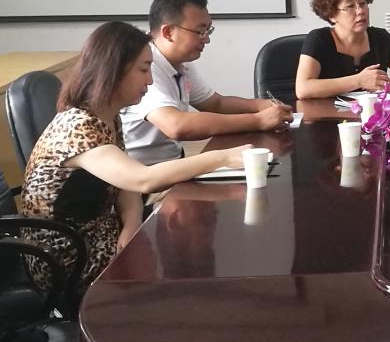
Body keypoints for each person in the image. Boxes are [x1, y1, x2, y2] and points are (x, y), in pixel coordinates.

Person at [20, 21, 250, 298]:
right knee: (182, 264)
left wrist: (131, 224)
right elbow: (142, 179)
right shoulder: (78, 126)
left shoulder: (107, 115)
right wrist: (221, 157)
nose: (150, 81)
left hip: (103, 231)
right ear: (113, 70)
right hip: (68, 257)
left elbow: (123, 183)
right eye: (143, 69)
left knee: (189, 241)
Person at [121, 0, 293, 165]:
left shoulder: (181, 62)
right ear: (168, 32)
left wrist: (259, 105)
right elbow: (176, 125)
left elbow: (216, 103)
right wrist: (258, 120)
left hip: (171, 163)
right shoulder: (144, 64)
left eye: (208, 31)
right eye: (200, 31)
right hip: (142, 171)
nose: (207, 39)